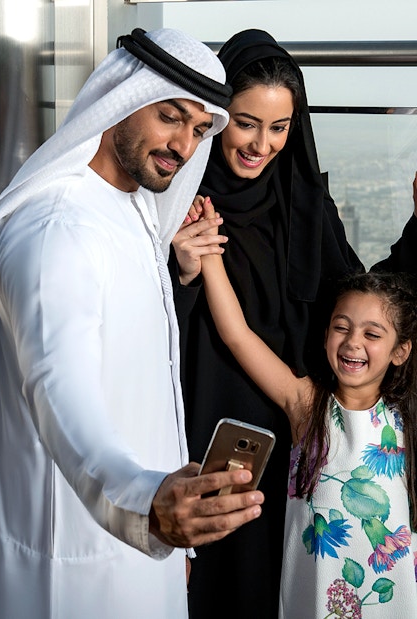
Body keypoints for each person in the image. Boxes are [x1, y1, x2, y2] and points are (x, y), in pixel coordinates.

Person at [0, 28, 265, 619]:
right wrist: (144, 501)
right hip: (65, 566)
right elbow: (57, 388)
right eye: (170, 116)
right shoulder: (54, 230)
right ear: (122, 98)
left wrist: (167, 523)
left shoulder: (132, 212)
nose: (183, 143)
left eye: (200, 130)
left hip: (143, 548)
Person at [169, 28, 417, 618]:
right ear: (216, 115)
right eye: (245, 122)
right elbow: (142, 325)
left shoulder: (304, 201)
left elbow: (363, 301)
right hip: (209, 431)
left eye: (279, 127)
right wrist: (178, 269)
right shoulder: (180, 201)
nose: (261, 144)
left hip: (308, 444)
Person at [200, 240, 417, 617]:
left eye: (372, 334)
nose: (353, 342)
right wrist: (207, 253)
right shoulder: (306, 405)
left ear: (401, 351)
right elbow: (236, 334)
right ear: (325, 334)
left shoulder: (408, 421)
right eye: (342, 327)